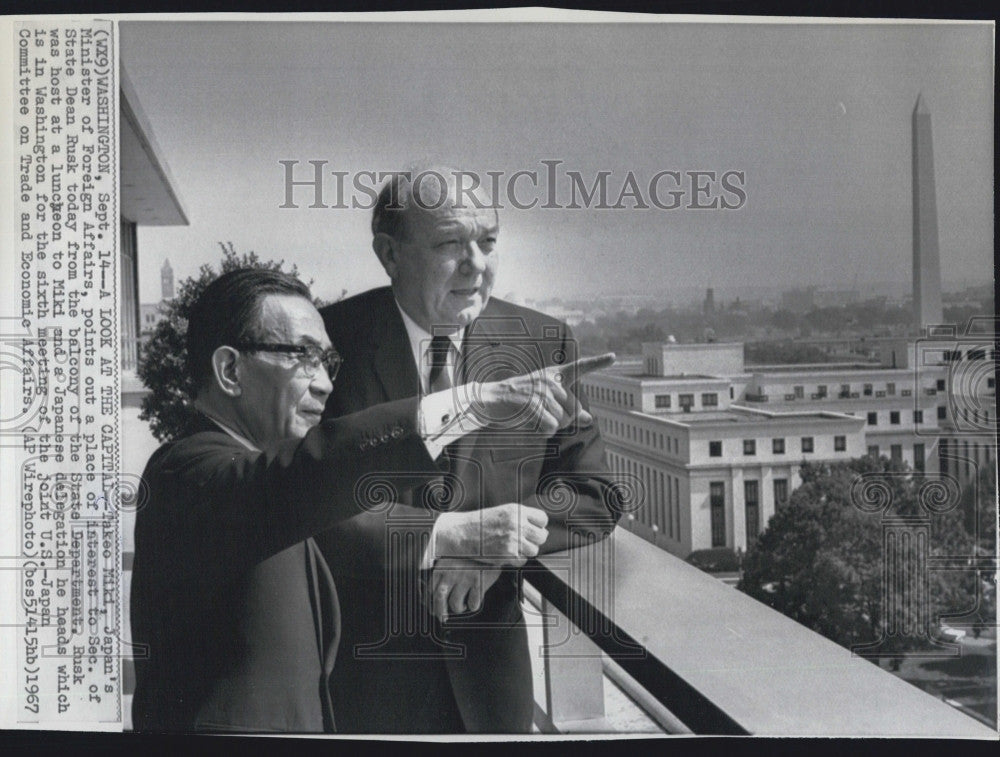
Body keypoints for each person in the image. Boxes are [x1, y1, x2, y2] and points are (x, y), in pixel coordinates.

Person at [129, 267, 588, 732]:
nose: (325, 383)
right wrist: (475, 403)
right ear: (230, 370)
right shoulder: (186, 474)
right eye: (302, 356)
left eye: (327, 361)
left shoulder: (257, 488)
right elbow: (314, 471)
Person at [317, 167, 620, 733]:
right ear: (389, 254)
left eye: (487, 241)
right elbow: (304, 506)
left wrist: (499, 543)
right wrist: (448, 536)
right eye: (451, 243)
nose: (476, 263)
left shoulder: (543, 343)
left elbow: (595, 497)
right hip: (360, 684)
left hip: (491, 686)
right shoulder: (327, 344)